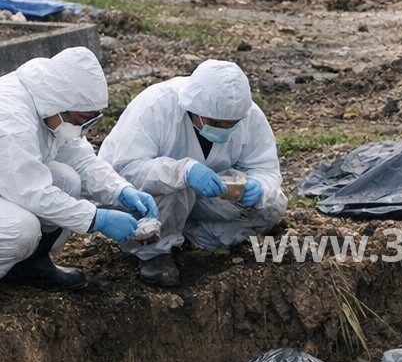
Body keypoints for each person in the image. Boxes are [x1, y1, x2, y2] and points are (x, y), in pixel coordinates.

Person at [99, 59, 287, 288]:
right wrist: (183, 170)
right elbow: (122, 169)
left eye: (231, 124)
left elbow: (265, 167)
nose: (224, 129)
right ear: (194, 109)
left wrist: (259, 186)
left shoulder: (248, 115)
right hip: (151, 197)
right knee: (176, 183)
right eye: (216, 122)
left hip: (202, 196)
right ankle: (153, 253)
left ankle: (192, 235)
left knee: (272, 207)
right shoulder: (156, 106)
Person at [0, 47, 158, 291]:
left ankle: (28, 266)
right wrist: (96, 218)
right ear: (59, 105)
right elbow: (32, 192)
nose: (81, 128)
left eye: (89, 120)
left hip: (10, 182)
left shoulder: (51, 104)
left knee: (67, 180)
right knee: (21, 230)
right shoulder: (12, 119)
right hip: (16, 185)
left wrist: (120, 190)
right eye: (79, 119)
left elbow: (82, 160)